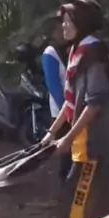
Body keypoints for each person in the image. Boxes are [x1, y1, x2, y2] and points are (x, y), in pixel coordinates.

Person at [42, 0, 109, 218]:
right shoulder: (76, 51)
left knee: (78, 208)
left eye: (68, 21)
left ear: (82, 22)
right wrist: (51, 132)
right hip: (82, 143)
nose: (63, 26)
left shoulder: (92, 53)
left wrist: (67, 139)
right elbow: (71, 102)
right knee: (72, 199)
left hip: (94, 143)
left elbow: (94, 104)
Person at [41, 17, 71, 182]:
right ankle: (65, 185)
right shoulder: (50, 53)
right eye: (60, 30)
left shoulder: (66, 51)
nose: (63, 33)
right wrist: (67, 113)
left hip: (71, 109)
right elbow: (54, 86)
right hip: (62, 111)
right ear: (52, 33)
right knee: (66, 154)